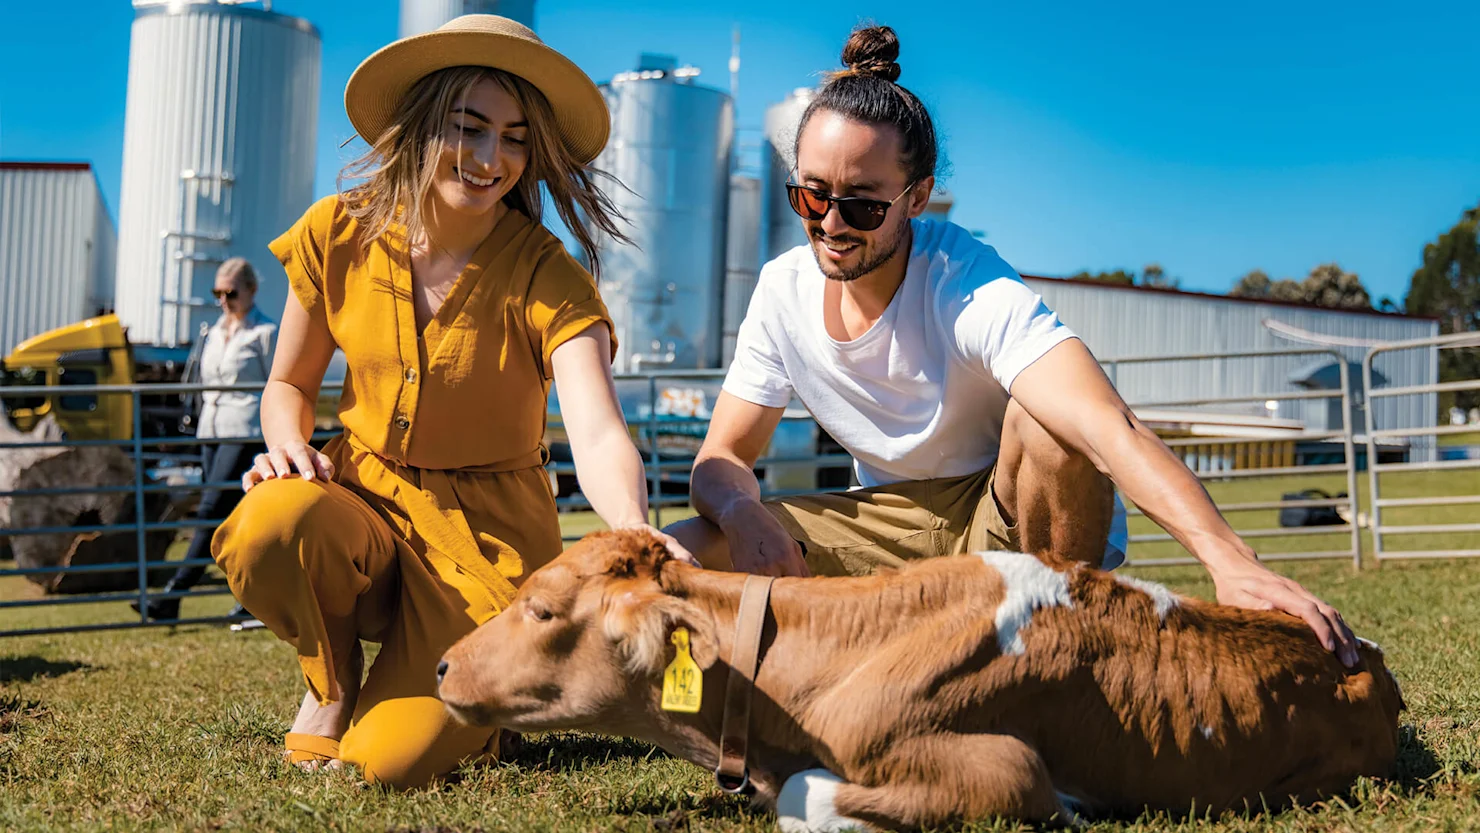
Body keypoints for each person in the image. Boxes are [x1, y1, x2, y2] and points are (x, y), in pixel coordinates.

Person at [668, 25, 1359, 668]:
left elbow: (1105, 425)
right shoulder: (781, 290)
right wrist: (741, 510)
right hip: (889, 520)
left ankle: (1057, 652)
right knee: (688, 549)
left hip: (1007, 517)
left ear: (917, 197)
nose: (833, 224)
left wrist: (1227, 558)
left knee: (1049, 419)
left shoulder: (966, 281)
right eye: (811, 196)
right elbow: (721, 456)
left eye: (864, 205)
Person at [211, 15, 688, 788]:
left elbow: (597, 429)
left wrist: (633, 527)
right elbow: (290, 385)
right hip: (359, 497)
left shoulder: (548, 275)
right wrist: (288, 442)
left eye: (514, 138)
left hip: (486, 544)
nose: (490, 158)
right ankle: (329, 685)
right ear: (423, 124)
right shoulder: (337, 231)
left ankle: (476, 710)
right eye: (468, 128)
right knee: (274, 519)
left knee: (388, 765)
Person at [133, 257, 273, 622]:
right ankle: (252, 599)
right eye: (217, 293)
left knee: (210, 510)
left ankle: (173, 594)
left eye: (231, 293)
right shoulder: (211, 333)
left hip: (245, 432)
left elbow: (281, 386)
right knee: (233, 519)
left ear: (251, 291)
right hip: (210, 430)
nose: (223, 300)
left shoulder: (265, 333)